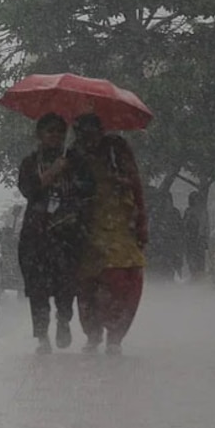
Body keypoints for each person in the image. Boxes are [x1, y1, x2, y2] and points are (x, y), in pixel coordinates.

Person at [71, 113, 148, 356]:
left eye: (93, 132)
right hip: (87, 230)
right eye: (83, 133)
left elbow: (135, 185)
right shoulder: (74, 154)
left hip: (120, 229)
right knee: (87, 287)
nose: (89, 138)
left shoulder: (117, 148)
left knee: (122, 283)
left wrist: (119, 181)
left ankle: (115, 336)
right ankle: (93, 334)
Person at [16, 113, 93, 354]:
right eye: (50, 131)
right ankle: (41, 337)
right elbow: (29, 190)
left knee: (66, 285)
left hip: (68, 236)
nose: (55, 136)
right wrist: (51, 174)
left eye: (60, 132)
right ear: (39, 135)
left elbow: (90, 188)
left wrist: (71, 178)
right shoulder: (30, 163)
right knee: (37, 289)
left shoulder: (75, 160)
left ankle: (63, 320)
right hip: (37, 236)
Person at [184, 190, 208, 281]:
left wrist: (205, 239)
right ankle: (193, 276)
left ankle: (199, 279)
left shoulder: (203, 212)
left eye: (198, 199)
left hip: (199, 240)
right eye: (194, 199)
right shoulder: (188, 211)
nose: (196, 201)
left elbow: (205, 226)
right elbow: (185, 225)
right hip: (191, 240)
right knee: (191, 260)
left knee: (200, 262)